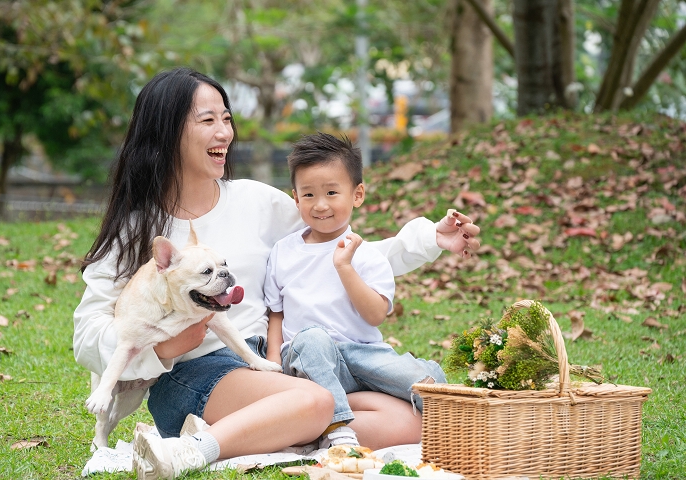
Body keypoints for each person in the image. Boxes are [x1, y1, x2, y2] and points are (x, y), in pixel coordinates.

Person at [73, 67, 481, 479]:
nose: (224, 133)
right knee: (319, 402)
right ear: (167, 133)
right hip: (193, 374)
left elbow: (340, 260)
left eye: (227, 118)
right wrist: (161, 348)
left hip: (274, 363)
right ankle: (190, 451)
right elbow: (87, 333)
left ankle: (255, 432)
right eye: (207, 120)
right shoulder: (137, 230)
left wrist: (430, 239)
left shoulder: (259, 202)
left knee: (411, 421)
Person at [264, 132, 446, 450]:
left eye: (332, 192)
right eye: (308, 195)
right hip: (308, 357)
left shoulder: (367, 255)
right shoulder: (284, 251)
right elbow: (276, 313)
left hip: (361, 354)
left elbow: (376, 315)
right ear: (295, 198)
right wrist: (272, 365)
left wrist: (345, 267)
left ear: (357, 194)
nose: (320, 205)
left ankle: (438, 391)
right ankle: (337, 428)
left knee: (426, 384)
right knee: (313, 337)